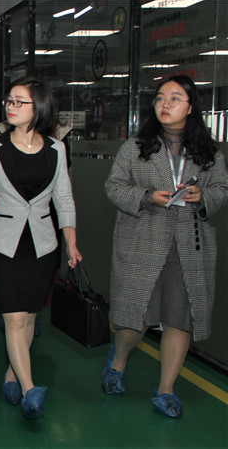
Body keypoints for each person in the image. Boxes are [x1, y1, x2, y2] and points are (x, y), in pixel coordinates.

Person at [102, 75, 228, 418]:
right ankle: (118, 360)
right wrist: (146, 197)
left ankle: (166, 389)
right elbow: (114, 187)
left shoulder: (208, 152)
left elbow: (221, 189)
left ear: (191, 107)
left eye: (174, 98)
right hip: (142, 241)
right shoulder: (136, 147)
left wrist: (203, 196)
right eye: (160, 98)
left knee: (179, 319)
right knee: (136, 319)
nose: (165, 104)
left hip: (190, 246)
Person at [0, 77, 82, 420]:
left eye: (19, 101)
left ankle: (12, 373)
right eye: (9, 101)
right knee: (13, 317)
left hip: (42, 244)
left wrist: (71, 241)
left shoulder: (56, 149)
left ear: (38, 107)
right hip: (2, 243)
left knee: (28, 318)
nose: (10, 106)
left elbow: (63, 198)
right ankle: (29, 389)